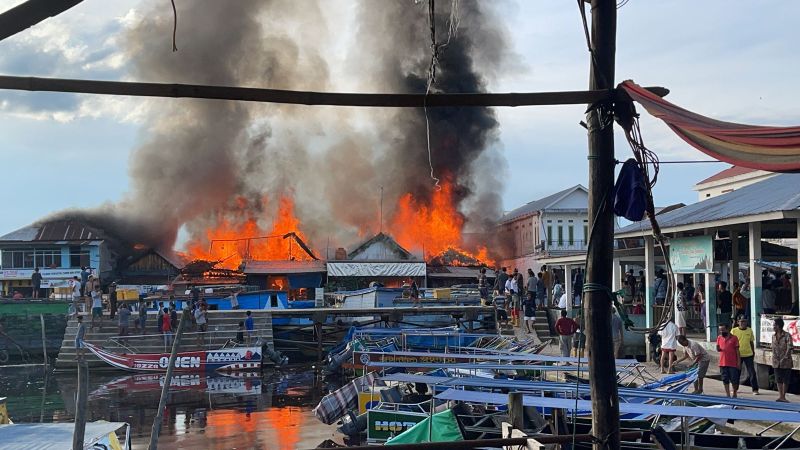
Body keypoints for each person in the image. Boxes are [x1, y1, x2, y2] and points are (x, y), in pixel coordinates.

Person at [731, 316, 758, 394]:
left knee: (752, 372)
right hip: (738, 355)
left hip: (748, 354)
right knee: (737, 372)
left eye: (744, 321)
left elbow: (751, 342)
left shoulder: (749, 330)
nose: (743, 323)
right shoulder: (734, 331)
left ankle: (755, 389)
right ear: (738, 322)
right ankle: (735, 388)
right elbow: (731, 343)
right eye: (741, 321)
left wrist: (753, 352)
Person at [716, 323, 740, 398]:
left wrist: (739, 362)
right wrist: (718, 349)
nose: (721, 332)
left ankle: (734, 393)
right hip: (723, 362)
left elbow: (737, 351)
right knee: (725, 379)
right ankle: (727, 394)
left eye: (723, 330)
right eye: (720, 330)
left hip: (732, 362)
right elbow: (719, 348)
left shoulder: (734, 338)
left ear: (728, 329)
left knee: (734, 379)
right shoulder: (719, 338)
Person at [772, 318, 793, 402]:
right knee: (778, 379)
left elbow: (790, 347)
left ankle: (783, 396)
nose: (773, 327)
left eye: (774, 325)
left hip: (786, 361)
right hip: (776, 361)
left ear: (778, 326)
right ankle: (780, 395)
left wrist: (785, 357)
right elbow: (773, 348)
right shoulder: (773, 336)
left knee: (785, 379)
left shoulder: (787, 335)